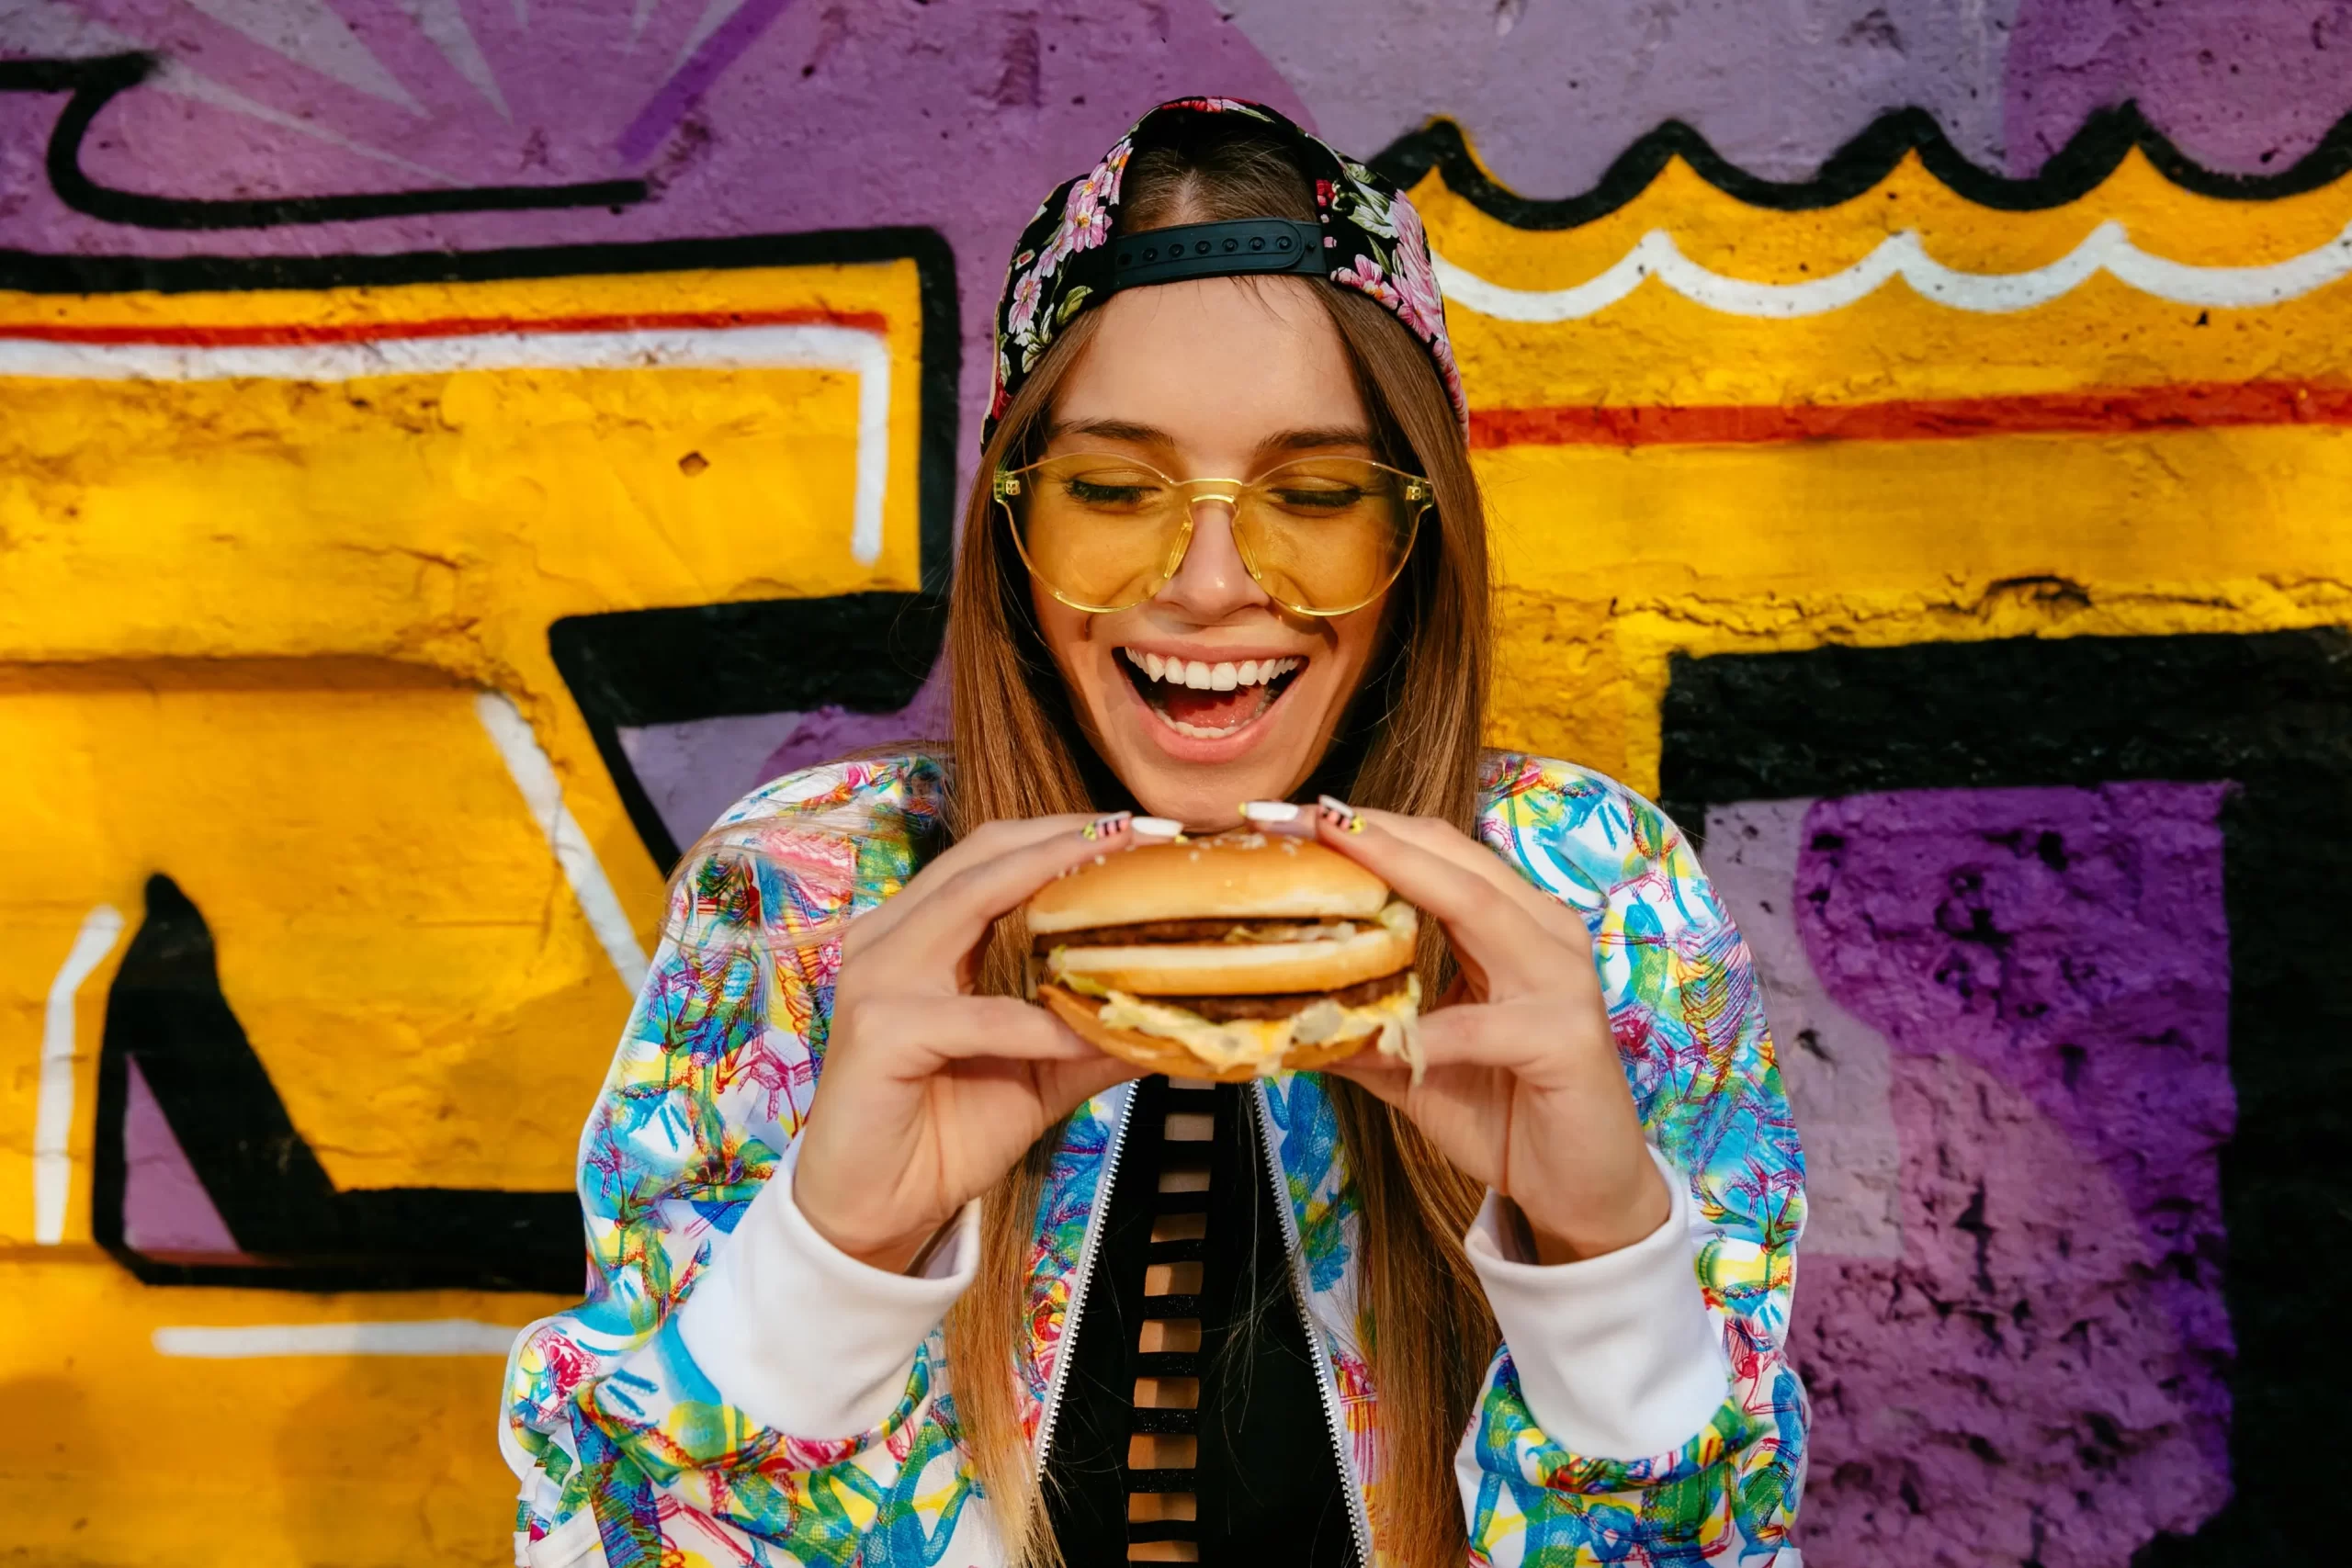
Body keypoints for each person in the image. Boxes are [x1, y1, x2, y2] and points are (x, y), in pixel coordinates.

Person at [501, 99, 1805, 1568]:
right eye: (1112, 492)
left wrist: (1608, 1272)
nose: (1205, 582)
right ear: (1012, 519)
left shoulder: (1592, 908)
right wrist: (827, 1266)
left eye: (1313, 495)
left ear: (1416, 535)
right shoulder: (808, 900)